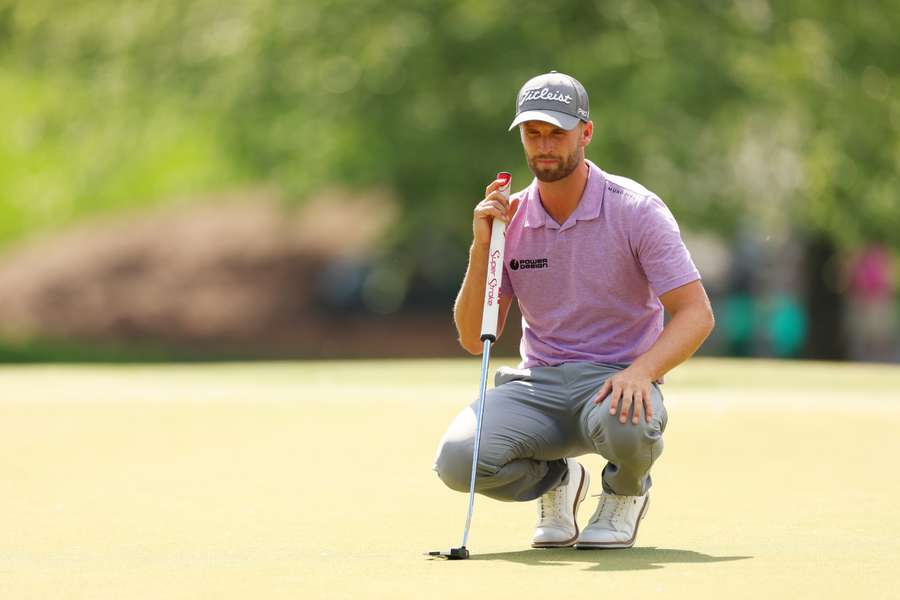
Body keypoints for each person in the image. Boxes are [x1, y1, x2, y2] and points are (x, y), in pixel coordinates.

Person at [433, 71, 715, 549]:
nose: (544, 146)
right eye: (533, 133)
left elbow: (695, 313)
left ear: (585, 133)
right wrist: (482, 247)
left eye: (557, 133)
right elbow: (469, 335)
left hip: (615, 380)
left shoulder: (636, 210)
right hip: (538, 384)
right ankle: (559, 482)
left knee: (628, 427)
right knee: (459, 461)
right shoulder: (510, 218)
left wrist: (642, 372)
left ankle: (625, 495)